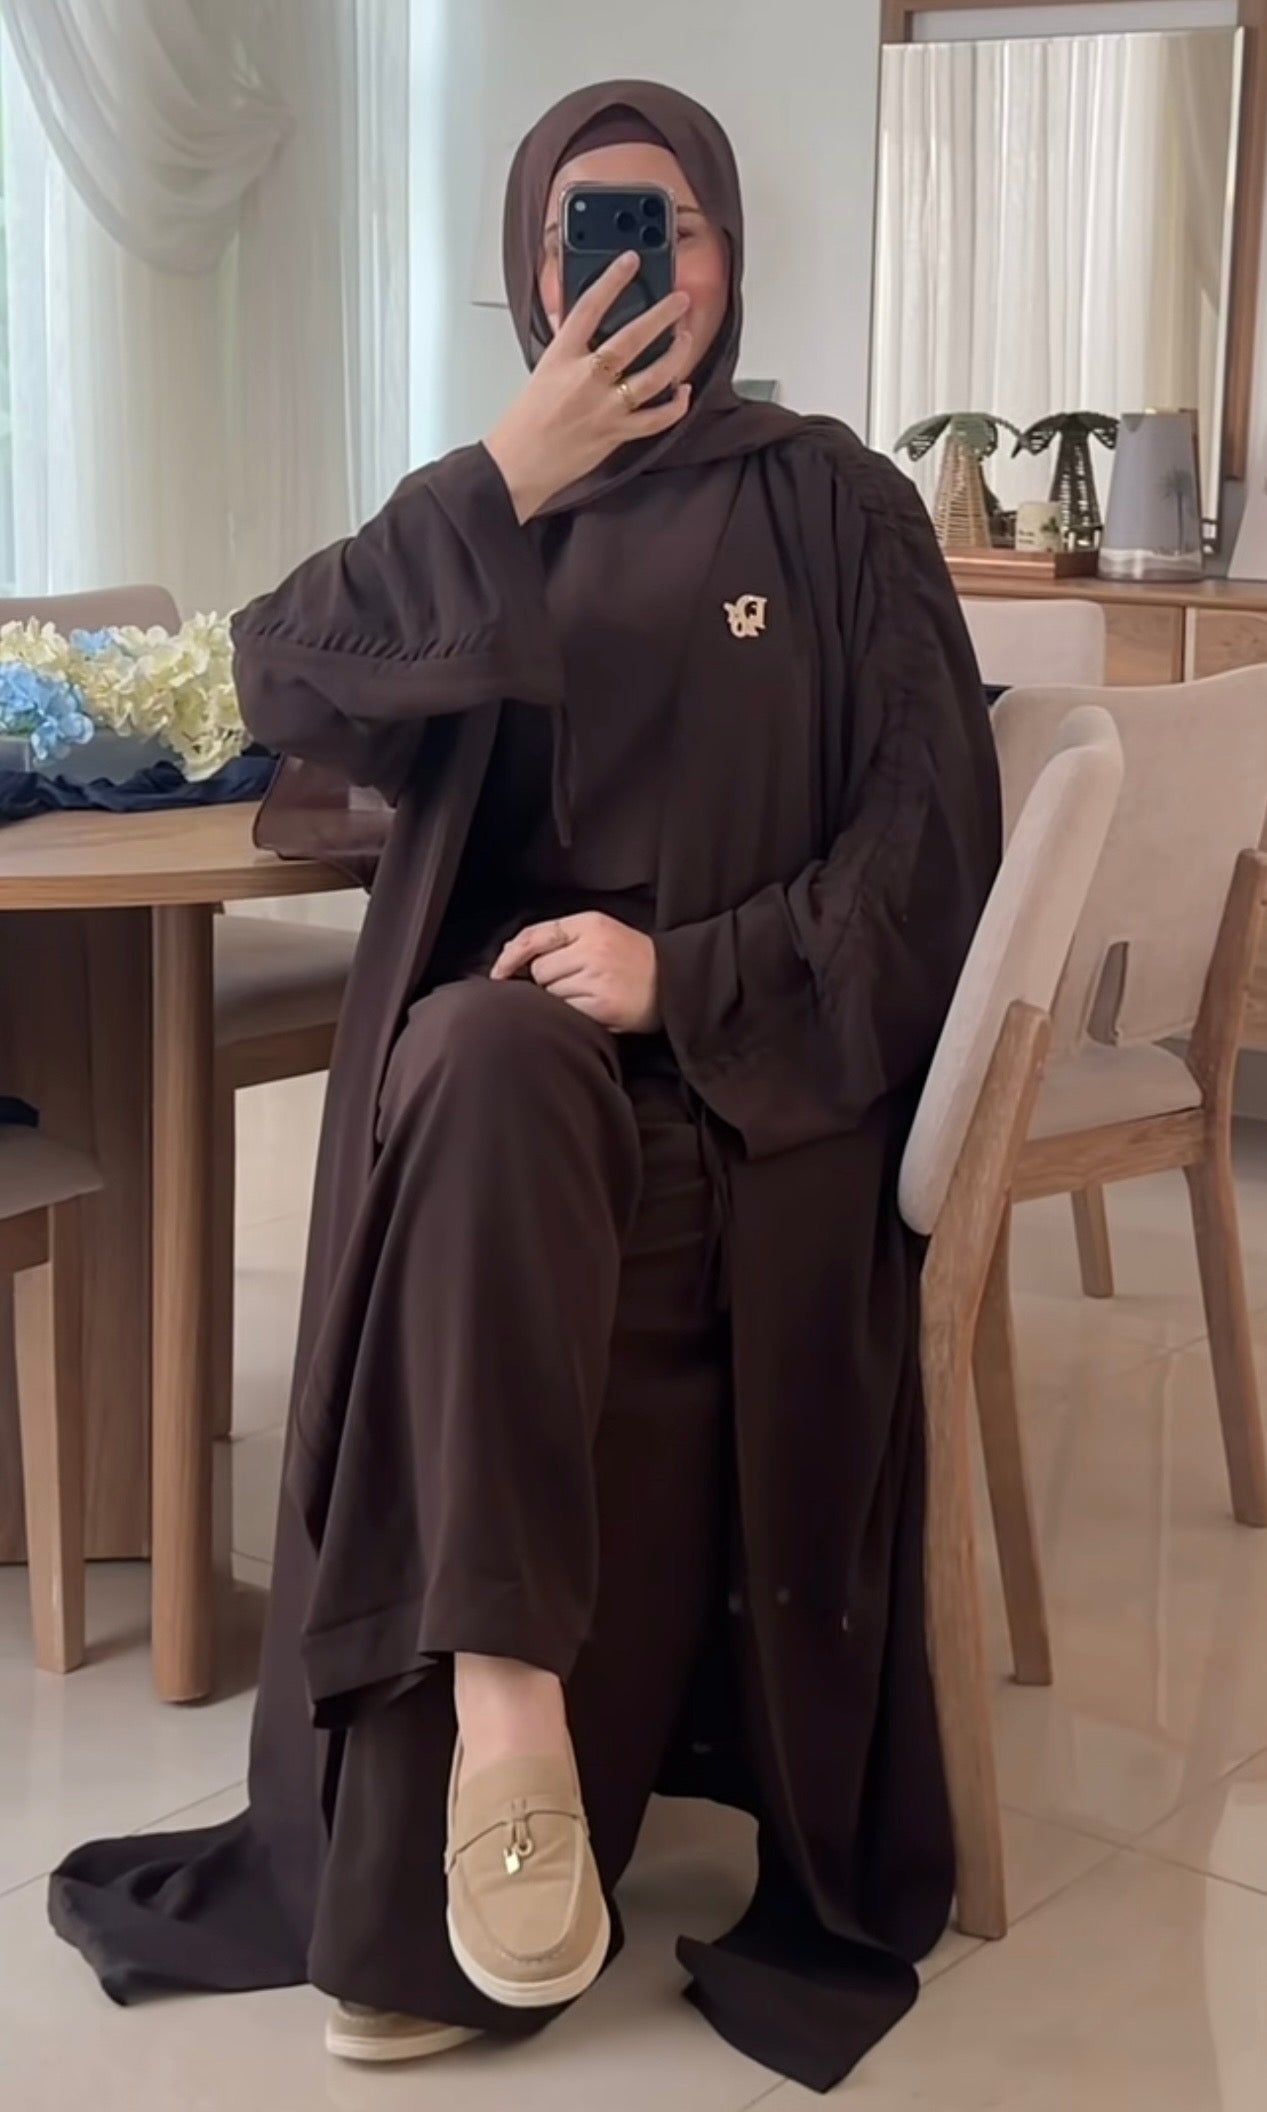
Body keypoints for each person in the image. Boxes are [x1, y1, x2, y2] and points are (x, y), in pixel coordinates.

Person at [49, 80, 1000, 2093]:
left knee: (492, 1107)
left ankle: (428, 1903)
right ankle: (507, 1717)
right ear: (528, 269)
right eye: (587, 229)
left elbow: (927, 852)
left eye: (672, 225)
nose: (633, 267)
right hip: (496, 1071)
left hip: (732, 1079)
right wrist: (503, 471)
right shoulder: (488, 498)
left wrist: (684, 973)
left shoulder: (836, 503)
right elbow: (278, 678)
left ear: (729, 256)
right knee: (485, 1062)